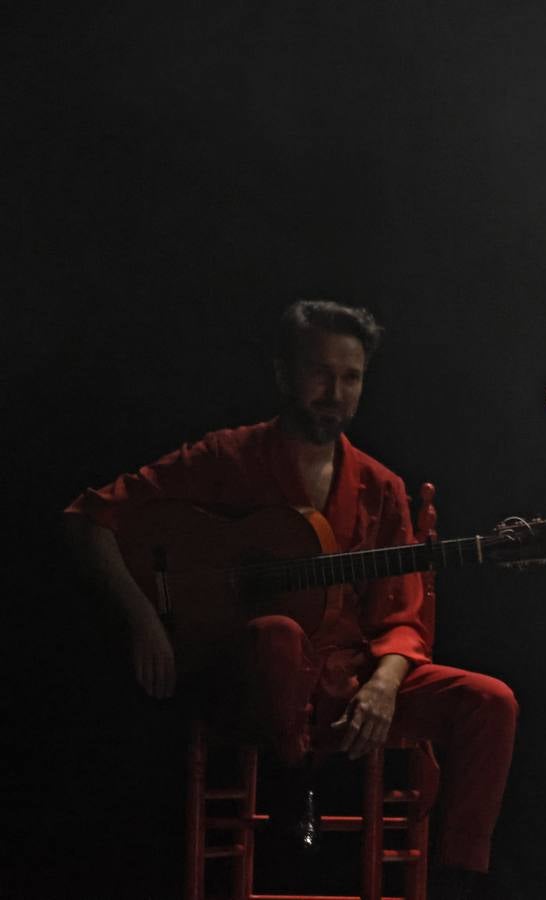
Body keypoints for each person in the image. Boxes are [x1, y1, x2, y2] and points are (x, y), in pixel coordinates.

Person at [65, 300, 517, 885]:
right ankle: (294, 782)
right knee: (275, 633)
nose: (335, 391)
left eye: (351, 377)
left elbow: (401, 612)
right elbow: (87, 517)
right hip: (249, 682)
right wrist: (143, 619)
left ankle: (462, 874)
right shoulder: (227, 456)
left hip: (348, 683)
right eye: (320, 372)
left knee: (492, 701)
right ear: (283, 373)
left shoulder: (381, 486)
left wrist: (383, 684)